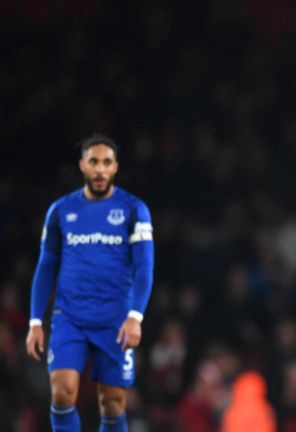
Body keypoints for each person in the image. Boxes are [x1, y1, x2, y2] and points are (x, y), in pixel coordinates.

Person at [26, 134, 154, 432]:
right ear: (82, 165)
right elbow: (46, 266)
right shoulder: (60, 211)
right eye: (94, 162)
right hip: (70, 316)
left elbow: (145, 267)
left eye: (106, 162)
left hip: (115, 320)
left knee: (112, 403)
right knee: (61, 392)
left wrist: (135, 317)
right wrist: (35, 320)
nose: (100, 169)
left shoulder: (134, 210)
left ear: (116, 167)